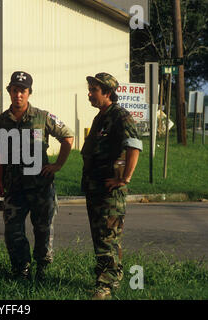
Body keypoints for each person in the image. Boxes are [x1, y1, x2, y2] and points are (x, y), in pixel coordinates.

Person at [0, 71, 74, 281]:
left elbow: (67, 136)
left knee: (43, 230)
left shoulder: (43, 117)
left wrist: (57, 165)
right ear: (9, 92)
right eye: (14, 90)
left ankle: (42, 269)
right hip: (14, 186)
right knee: (13, 231)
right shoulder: (3, 120)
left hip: (41, 186)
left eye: (22, 91)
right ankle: (21, 269)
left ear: (29, 93)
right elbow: (0, 152)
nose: (18, 95)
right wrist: (0, 180)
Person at [81, 72, 142, 300]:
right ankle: (113, 277)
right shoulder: (101, 117)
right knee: (102, 236)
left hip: (109, 190)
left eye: (94, 90)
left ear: (107, 93)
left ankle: (104, 286)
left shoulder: (120, 116)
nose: (89, 94)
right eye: (90, 89)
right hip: (95, 187)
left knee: (107, 236)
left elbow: (134, 146)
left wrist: (124, 179)